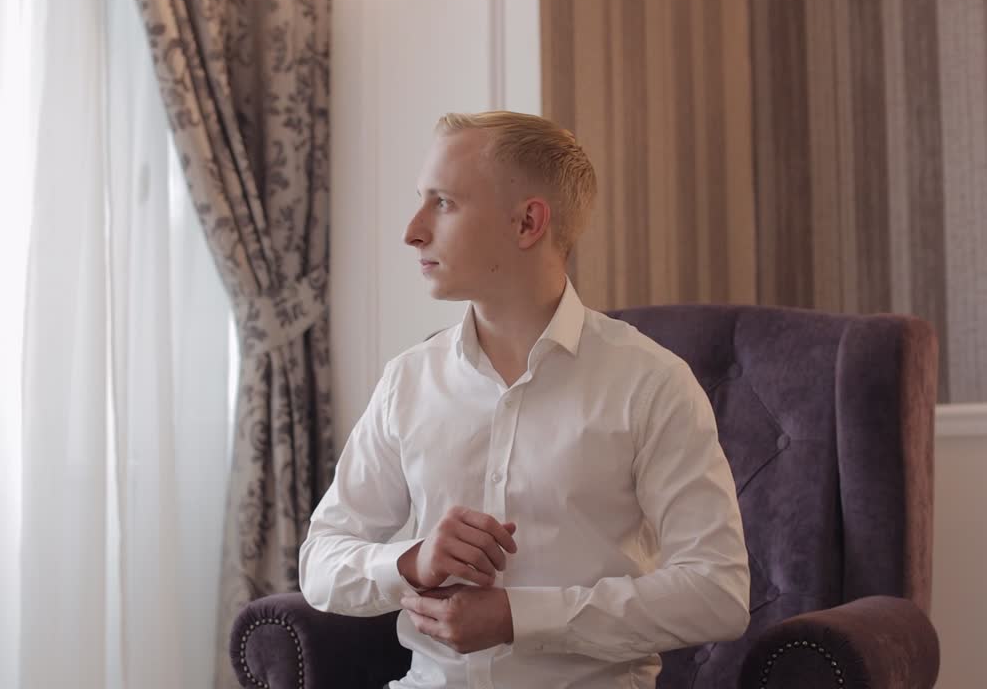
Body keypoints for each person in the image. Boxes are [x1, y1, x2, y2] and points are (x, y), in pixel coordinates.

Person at [299, 111, 750, 688]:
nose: (412, 230)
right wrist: (411, 561)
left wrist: (520, 618)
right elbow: (320, 563)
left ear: (527, 223)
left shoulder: (652, 384)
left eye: (443, 203)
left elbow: (718, 592)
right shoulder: (407, 383)